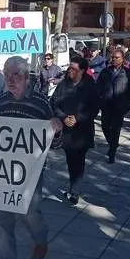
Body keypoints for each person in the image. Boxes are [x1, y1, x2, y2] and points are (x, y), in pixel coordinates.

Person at [0, 56, 64, 259]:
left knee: (29, 211)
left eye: (16, 75)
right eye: (7, 75)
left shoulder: (40, 102)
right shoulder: (0, 101)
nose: (10, 79)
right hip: (3, 169)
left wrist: (56, 130)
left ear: (26, 77)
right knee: (3, 215)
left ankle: (40, 237)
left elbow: (55, 144)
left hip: (31, 170)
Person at [50, 56, 99, 204]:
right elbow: (54, 103)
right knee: (71, 160)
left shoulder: (90, 86)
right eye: (69, 68)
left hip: (82, 131)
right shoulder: (64, 84)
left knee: (79, 160)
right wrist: (63, 117)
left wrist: (77, 117)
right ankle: (73, 187)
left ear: (82, 71)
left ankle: (74, 192)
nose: (70, 71)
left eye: (74, 69)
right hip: (67, 131)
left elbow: (94, 108)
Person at [97, 49, 130, 164]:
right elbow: (98, 87)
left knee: (115, 129)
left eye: (117, 57)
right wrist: (99, 99)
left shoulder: (128, 73)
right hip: (106, 105)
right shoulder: (105, 72)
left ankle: (112, 152)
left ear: (122, 59)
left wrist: (127, 103)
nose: (114, 59)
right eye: (112, 57)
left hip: (119, 106)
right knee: (105, 127)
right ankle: (113, 144)